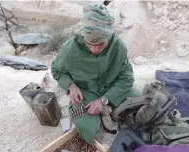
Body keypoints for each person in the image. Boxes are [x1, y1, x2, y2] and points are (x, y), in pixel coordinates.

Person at [51, 4, 140, 144]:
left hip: (113, 89)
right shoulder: (70, 49)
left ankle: (108, 110)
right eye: (89, 44)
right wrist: (71, 86)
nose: (94, 50)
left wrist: (104, 100)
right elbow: (56, 70)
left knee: (140, 103)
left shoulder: (118, 47)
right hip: (86, 93)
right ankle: (100, 114)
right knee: (87, 129)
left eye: (100, 45)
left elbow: (127, 78)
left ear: (109, 38)